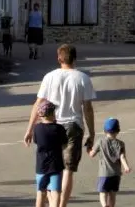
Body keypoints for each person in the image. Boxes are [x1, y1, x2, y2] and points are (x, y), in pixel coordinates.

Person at [24, 43, 97, 207]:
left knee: (51, 168)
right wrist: (92, 133)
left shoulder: (49, 77)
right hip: (74, 126)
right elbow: (88, 108)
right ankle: (61, 205)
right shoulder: (83, 78)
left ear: (59, 58)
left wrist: (29, 129)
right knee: (68, 170)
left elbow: (38, 104)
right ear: (75, 59)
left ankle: (51, 201)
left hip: (50, 127)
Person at [31, 101, 67, 207]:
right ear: (53, 113)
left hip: (41, 166)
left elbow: (36, 142)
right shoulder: (59, 129)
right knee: (55, 192)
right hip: (56, 165)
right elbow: (64, 144)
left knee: (41, 192)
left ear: (41, 114)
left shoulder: (37, 128)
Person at [92, 117, 133, 207]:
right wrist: (126, 167)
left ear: (104, 131)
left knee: (103, 193)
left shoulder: (100, 142)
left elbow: (92, 154)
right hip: (116, 174)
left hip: (104, 173)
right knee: (112, 194)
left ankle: (104, 205)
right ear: (118, 131)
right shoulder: (121, 144)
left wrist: (88, 148)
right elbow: (122, 157)